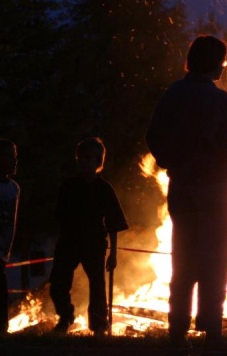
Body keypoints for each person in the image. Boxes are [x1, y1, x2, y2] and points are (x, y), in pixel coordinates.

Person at [146, 35, 227, 353]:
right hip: (218, 188)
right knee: (215, 260)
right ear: (216, 64)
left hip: (183, 185)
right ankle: (211, 330)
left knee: (183, 256)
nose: (223, 67)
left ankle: (177, 330)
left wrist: (172, 160)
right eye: (223, 61)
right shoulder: (223, 102)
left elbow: (154, 136)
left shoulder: (173, 95)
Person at [49, 137, 129, 336]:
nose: (83, 161)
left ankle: (99, 325)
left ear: (98, 161)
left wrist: (113, 253)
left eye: (88, 158)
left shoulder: (104, 189)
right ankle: (65, 317)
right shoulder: (68, 186)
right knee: (59, 281)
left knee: (97, 286)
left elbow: (114, 223)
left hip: (94, 243)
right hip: (69, 241)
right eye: (80, 157)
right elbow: (59, 216)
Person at [0, 138, 20, 334]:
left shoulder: (14, 188)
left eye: (15, 157)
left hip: (2, 249)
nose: (14, 161)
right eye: (9, 156)